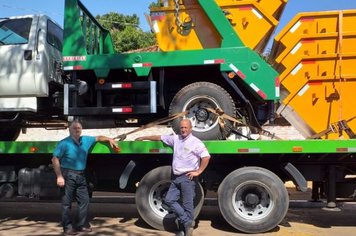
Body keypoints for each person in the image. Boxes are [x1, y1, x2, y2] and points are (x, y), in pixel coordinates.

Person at [136, 119, 211, 236]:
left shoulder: (196, 142)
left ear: (191, 129)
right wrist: (144, 137)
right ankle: (187, 222)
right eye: (182, 127)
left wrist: (198, 171)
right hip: (176, 177)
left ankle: (187, 230)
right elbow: (159, 137)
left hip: (188, 178)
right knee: (169, 200)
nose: (183, 130)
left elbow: (206, 157)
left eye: (186, 127)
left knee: (187, 205)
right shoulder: (176, 139)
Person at [52, 120, 118, 236]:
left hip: (81, 175)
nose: (77, 130)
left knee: (84, 201)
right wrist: (59, 176)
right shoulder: (64, 143)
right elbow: (55, 159)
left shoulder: (86, 140)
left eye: (79, 128)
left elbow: (98, 137)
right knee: (66, 203)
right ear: (69, 130)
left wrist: (109, 139)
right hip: (68, 175)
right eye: (74, 128)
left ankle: (80, 225)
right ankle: (67, 228)